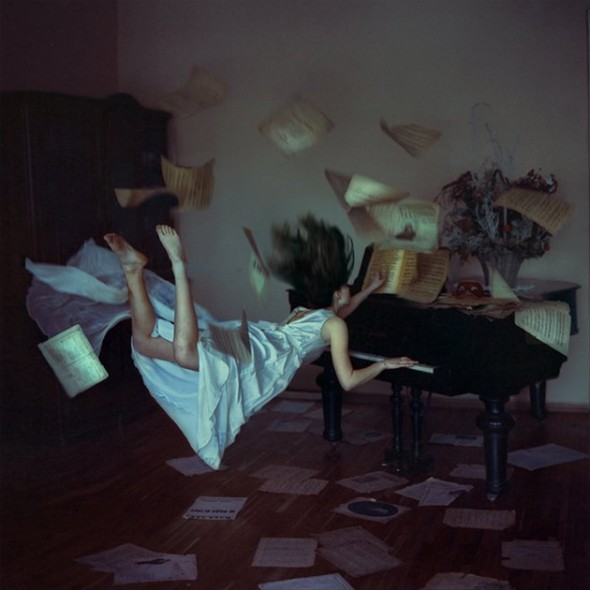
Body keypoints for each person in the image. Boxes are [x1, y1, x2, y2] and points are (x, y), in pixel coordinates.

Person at [26, 215, 417, 468]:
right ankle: (173, 267)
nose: (348, 291)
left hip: (255, 345)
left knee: (145, 344)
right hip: (257, 350)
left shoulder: (321, 317)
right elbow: (345, 346)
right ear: (334, 293)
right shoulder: (328, 320)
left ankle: (134, 271)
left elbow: (344, 341)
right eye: (346, 287)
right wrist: (377, 331)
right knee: (175, 350)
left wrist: (374, 317)